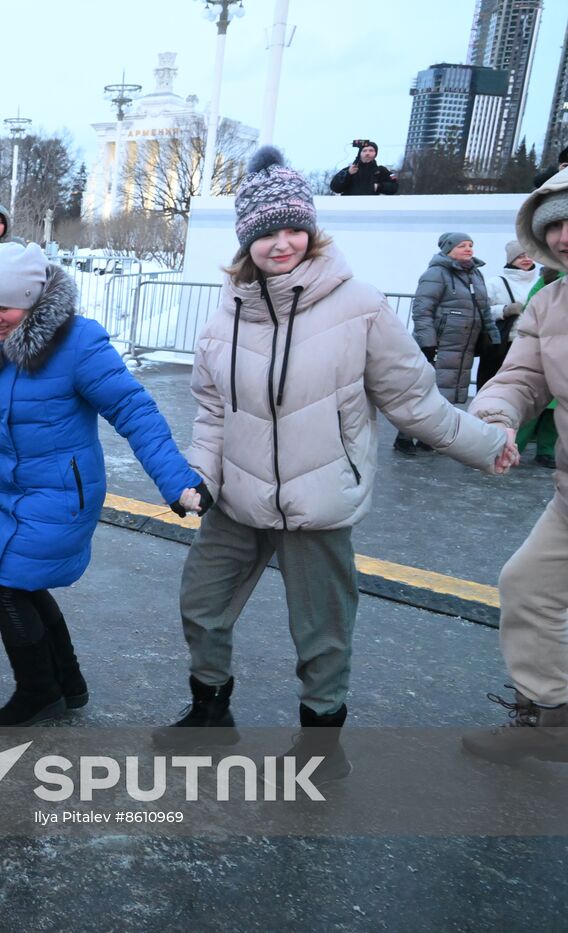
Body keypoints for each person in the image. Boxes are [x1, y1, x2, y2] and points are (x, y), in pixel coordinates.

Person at [153, 147, 508, 783]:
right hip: (237, 500)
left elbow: (414, 402)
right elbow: (213, 414)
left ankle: (322, 747)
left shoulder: (361, 308)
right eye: (265, 232)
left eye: (293, 228)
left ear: (312, 231)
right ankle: (211, 713)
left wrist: (485, 443)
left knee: (321, 633)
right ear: (246, 241)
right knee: (200, 606)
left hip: (318, 505)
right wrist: (197, 477)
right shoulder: (223, 320)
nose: (281, 242)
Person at [0, 242, 204, 727]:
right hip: (13, 495)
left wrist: (176, 480)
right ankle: (68, 685)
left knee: (4, 588)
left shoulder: (78, 343)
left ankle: (39, 691)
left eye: (5, 307)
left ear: (34, 299)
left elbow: (132, 409)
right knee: (23, 585)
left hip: (64, 493)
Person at [462, 172, 568, 762]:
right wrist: (497, 418)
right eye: (552, 222)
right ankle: (549, 719)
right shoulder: (549, 301)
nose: (563, 234)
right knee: (526, 587)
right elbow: (520, 378)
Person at [396, 232, 499, 454]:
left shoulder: (476, 275)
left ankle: (429, 438)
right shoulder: (436, 274)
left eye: (471, 245)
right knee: (424, 394)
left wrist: (493, 336)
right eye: (462, 245)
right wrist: (427, 342)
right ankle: (404, 437)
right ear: (448, 249)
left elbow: (485, 310)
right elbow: (422, 310)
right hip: (440, 345)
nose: (468, 249)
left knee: (447, 396)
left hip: (463, 346)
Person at [516, 265, 562, 468]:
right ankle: (512, 447)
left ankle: (546, 451)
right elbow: (532, 307)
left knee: (557, 408)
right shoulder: (552, 275)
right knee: (532, 405)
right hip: (549, 348)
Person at [480, 240, 537, 387]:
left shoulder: (539, 282)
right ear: (511, 259)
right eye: (520, 256)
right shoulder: (496, 283)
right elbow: (480, 311)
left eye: (529, 255)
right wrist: (504, 310)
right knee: (495, 382)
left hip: (532, 342)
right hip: (504, 342)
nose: (526, 259)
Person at [328, 140, 398, 196]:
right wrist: (348, 174)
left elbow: (395, 186)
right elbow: (334, 187)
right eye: (364, 150)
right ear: (360, 154)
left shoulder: (382, 170)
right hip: (349, 208)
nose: (367, 153)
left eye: (371, 150)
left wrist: (379, 186)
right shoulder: (348, 170)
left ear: (375, 154)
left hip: (372, 208)